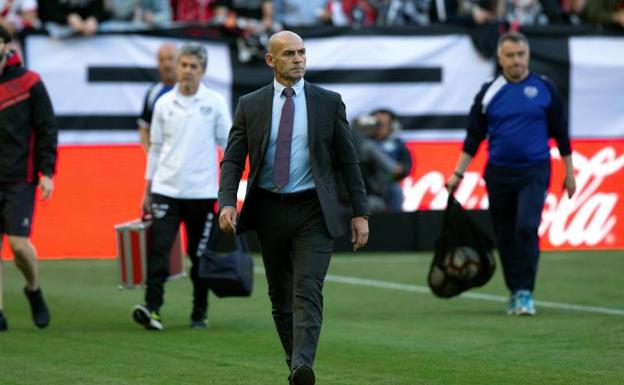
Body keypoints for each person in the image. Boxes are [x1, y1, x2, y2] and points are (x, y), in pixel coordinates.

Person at [218, 31, 370, 385]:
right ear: (271, 60)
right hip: (269, 210)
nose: (298, 59)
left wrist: (360, 212)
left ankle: (304, 365)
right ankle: (294, 364)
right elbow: (233, 160)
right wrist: (227, 201)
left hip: (314, 211)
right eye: (289, 54)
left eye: (302, 52)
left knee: (308, 288)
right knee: (280, 296)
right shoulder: (250, 104)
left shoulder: (329, 102)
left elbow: (349, 162)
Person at [445, 31, 576, 316]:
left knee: (526, 227)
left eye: (521, 55)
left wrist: (570, 171)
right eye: (511, 56)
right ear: (500, 58)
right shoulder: (489, 91)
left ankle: (525, 291)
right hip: (499, 173)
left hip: (535, 170)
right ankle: (515, 290)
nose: (517, 60)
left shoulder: (545, 88)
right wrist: (458, 173)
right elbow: (473, 136)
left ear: (527, 55)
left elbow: (561, 133)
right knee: (505, 234)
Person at [132, 42, 232, 331]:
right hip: (166, 190)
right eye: (183, 65)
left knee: (199, 257)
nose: (187, 71)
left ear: (203, 71)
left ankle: (199, 311)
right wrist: (147, 189)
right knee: (159, 251)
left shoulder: (214, 103)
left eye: (193, 67)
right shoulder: (163, 103)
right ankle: (152, 309)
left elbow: (228, 146)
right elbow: (155, 148)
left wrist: (227, 190)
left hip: (202, 193)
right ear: (176, 67)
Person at [0, 25, 57, 332]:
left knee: (19, 246)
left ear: (5, 44)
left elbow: (47, 127)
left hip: (20, 176)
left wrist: (47, 172)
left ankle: (33, 289)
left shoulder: (29, 81)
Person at [137, 42, 177, 152]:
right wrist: (149, 155)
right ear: (157, 63)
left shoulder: (191, 91)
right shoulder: (152, 93)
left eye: (170, 59)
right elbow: (144, 127)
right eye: (162, 60)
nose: (166, 64)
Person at [370, 108, 412, 211]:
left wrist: (401, 170)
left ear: (392, 126)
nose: (379, 128)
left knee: (395, 190)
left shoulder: (397, 144)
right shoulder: (363, 143)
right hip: (369, 186)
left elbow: (407, 164)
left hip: (390, 184)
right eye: (377, 124)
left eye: (383, 124)